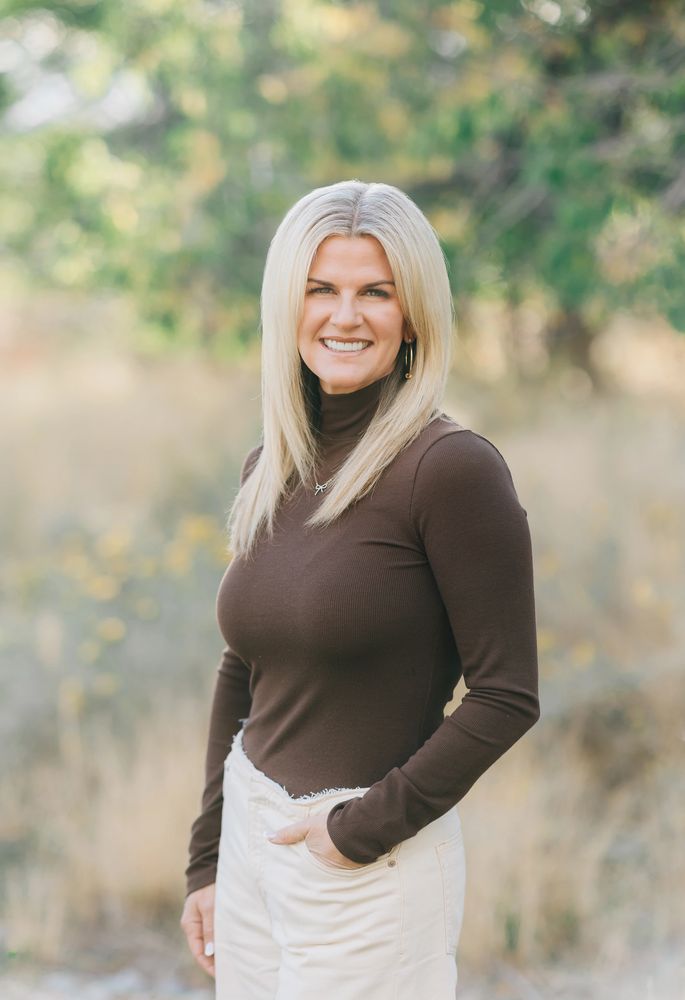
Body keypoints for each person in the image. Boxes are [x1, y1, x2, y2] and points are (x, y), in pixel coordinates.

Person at [180, 179, 540, 999]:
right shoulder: (272, 464)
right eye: (321, 290)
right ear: (287, 306)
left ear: (412, 314)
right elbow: (243, 668)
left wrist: (357, 832)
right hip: (250, 840)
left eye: (375, 292)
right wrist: (207, 858)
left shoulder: (450, 470)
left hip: (368, 868)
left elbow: (506, 695)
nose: (345, 317)